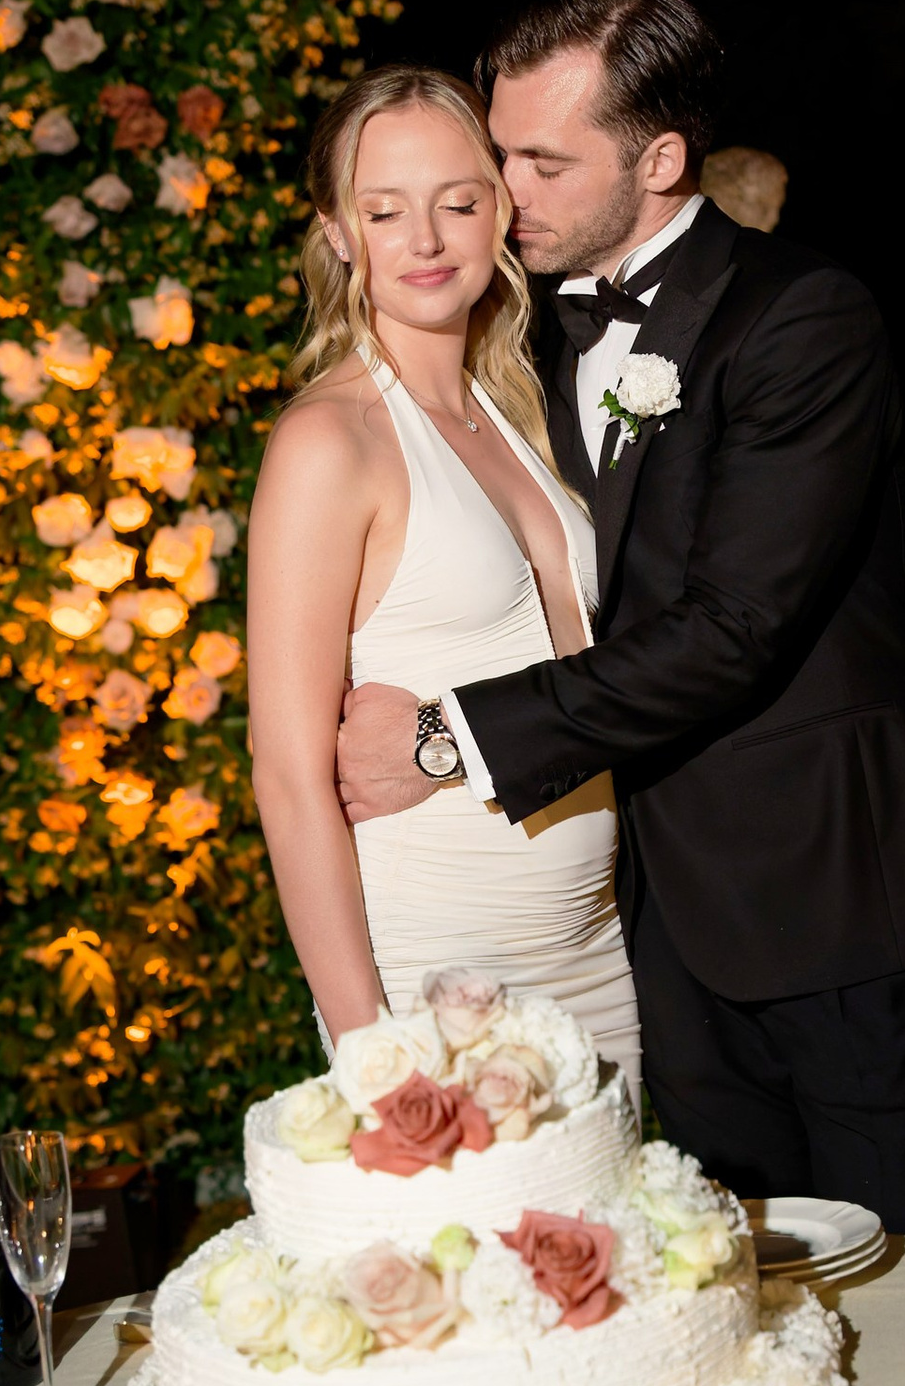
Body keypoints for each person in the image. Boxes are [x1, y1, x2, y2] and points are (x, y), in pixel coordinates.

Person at [335, 0, 905, 1237]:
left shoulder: (803, 321)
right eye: (500, 152)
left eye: (539, 161)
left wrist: (442, 738)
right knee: (715, 1303)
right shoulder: (515, 341)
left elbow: (732, 629)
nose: (502, 193)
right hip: (644, 931)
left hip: (831, 909)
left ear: (659, 159)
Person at [242, 64, 640, 1087]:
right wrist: (370, 1044)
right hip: (439, 979)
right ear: (338, 232)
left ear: (502, 211)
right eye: (385, 211)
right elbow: (289, 778)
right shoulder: (329, 442)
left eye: (457, 203)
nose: (424, 241)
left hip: (600, 963)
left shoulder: (519, 412)